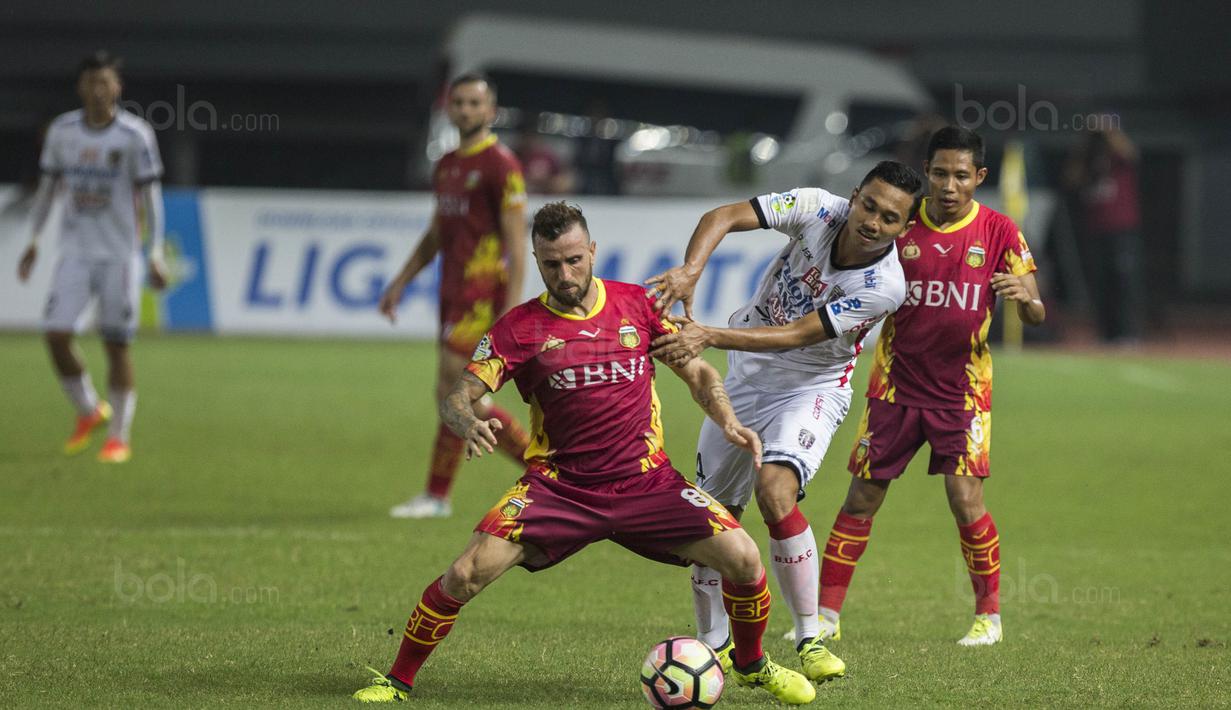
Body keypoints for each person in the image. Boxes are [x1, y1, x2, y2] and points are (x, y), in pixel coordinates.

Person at [353, 202, 816, 705]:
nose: (565, 274)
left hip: (647, 483)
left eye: (574, 259)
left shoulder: (638, 305)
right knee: (464, 574)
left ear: (592, 250)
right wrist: (467, 422)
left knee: (745, 560)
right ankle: (395, 680)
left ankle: (751, 664)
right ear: (536, 259)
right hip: (559, 489)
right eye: (551, 264)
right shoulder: (520, 328)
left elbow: (699, 372)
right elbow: (457, 395)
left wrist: (727, 419)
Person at [645, 161, 923, 682]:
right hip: (746, 378)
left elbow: (799, 334)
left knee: (775, 492)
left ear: (904, 229)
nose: (873, 222)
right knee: (713, 518)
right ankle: (715, 649)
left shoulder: (886, 285)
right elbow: (723, 214)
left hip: (810, 387)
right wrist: (691, 269)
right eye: (869, 206)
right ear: (854, 195)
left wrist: (707, 334)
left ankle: (809, 636)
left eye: (890, 218)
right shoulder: (819, 207)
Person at [811, 126, 1045, 647]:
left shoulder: (1000, 230)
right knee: (861, 498)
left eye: (960, 175)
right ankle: (824, 616)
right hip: (895, 388)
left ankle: (989, 618)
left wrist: (1023, 300)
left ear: (978, 178)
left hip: (962, 396)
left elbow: (1036, 309)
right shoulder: (901, 224)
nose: (948, 185)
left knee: (966, 500)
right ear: (927, 173)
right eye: (939, 173)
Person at [379, 73, 531, 518]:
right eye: (459, 102)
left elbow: (517, 246)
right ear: (450, 108)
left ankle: (440, 494)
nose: (465, 110)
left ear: (490, 111)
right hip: (451, 293)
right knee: (460, 398)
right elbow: (436, 234)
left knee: (454, 393)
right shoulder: (446, 164)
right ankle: (543, 471)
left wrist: (510, 313)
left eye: (474, 103)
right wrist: (401, 280)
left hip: (483, 296)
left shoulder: (502, 166)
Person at [16, 50, 167, 463]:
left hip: (119, 256)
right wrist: (33, 240)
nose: (98, 90)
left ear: (117, 87)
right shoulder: (63, 133)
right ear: (80, 86)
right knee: (56, 334)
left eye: (105, 82)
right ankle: (89, 410)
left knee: (117, 345)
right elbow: (48, 190)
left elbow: (151, 200)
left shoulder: (135, 136)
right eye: (90, 82)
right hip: (75, 253)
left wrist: (153, 252)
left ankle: (119, 435)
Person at [1062, 127, 1143, 345]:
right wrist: (1086, 140)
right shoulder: (1088, 161)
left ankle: (1127, 333)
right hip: (1096, 230)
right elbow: (1071, 177)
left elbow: (1131, 153)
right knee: (1099, 282)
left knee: (1123, 280)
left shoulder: (1118, 160)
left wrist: (1110, 129)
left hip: (1122, 229)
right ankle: (1106, 333)